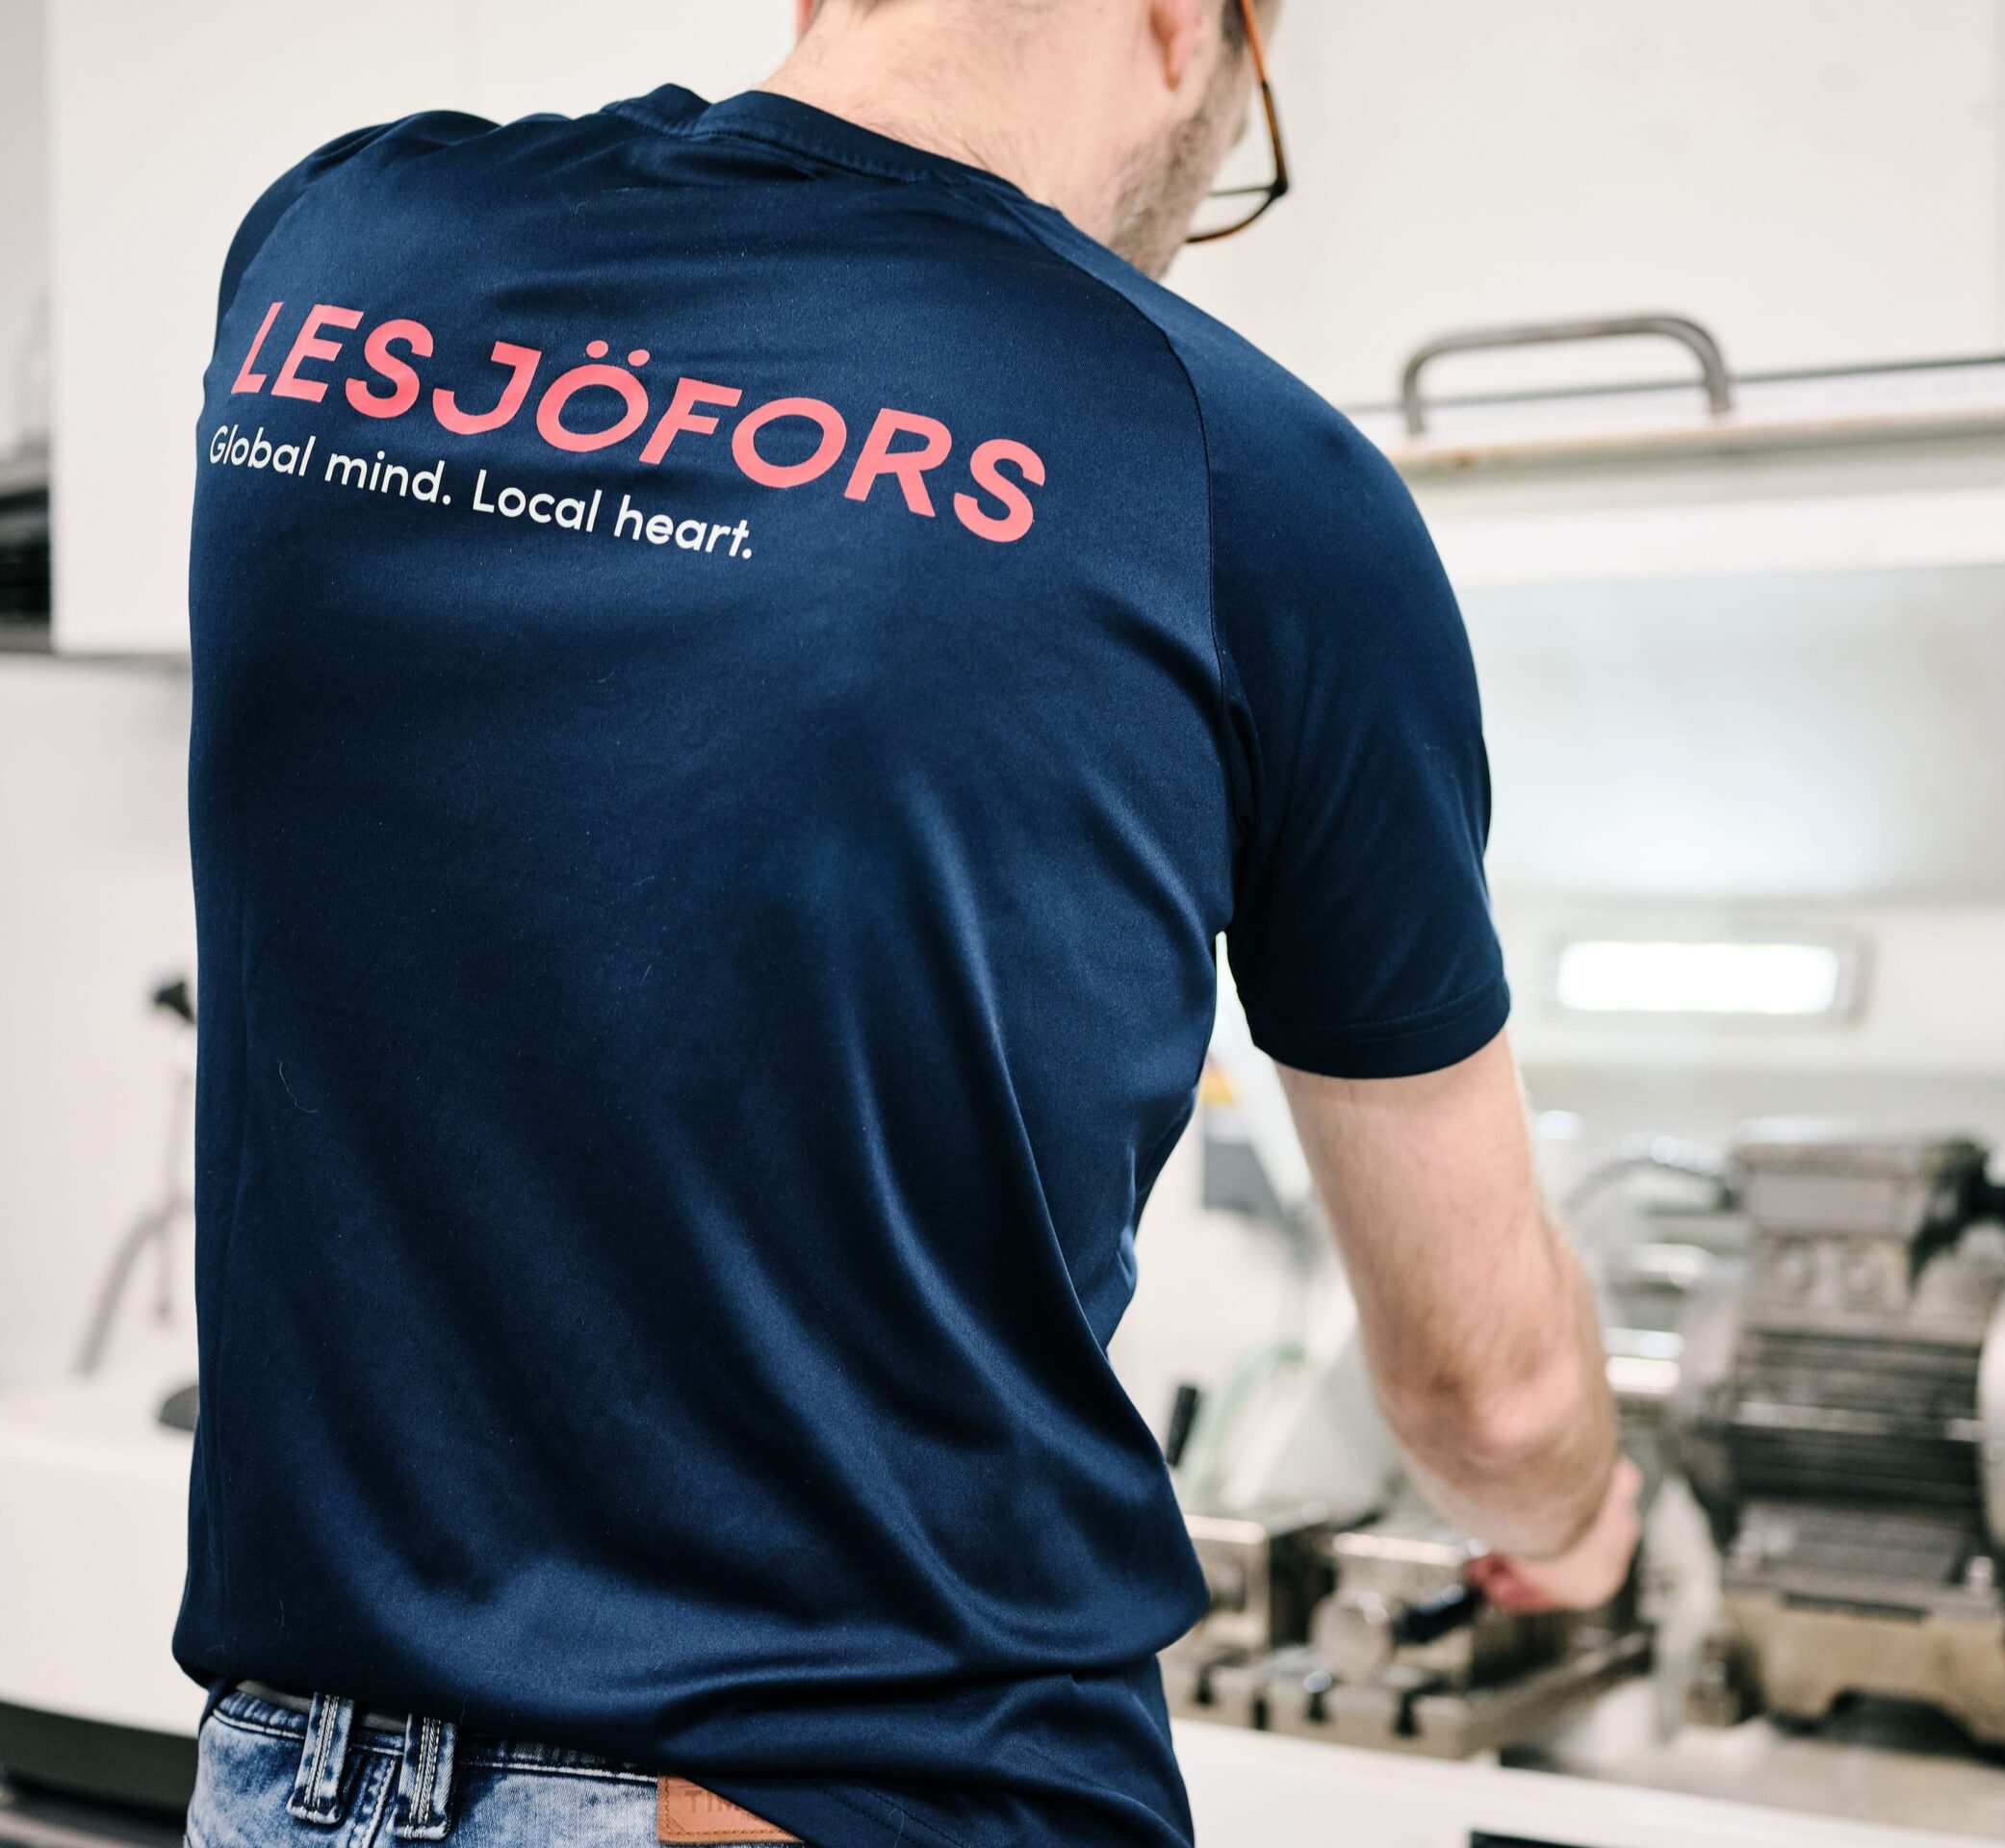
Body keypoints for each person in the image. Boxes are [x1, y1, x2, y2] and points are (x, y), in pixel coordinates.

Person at [178, 2, 1637, 1844]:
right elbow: (1482, 1394)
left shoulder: (335, 252)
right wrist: (1580, 1527)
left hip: (291, 1780)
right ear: (1192, 26)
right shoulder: (1238, 476)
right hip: (868, 1788)